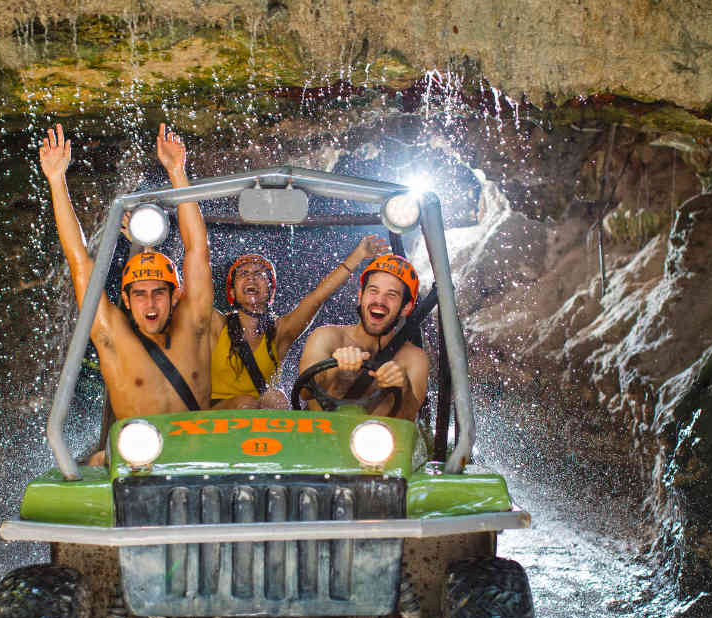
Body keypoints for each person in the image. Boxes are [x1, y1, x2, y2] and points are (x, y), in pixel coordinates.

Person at [39, 122, 213, 422]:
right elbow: (79, 260)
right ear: (127, 300)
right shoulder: (113, 338)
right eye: (140, 294)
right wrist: (56, 180)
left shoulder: (193, 326)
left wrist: (177, 171)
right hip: (142, 452)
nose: (150, 303)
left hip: (198, 449)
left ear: (175, 296)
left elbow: (197, 251)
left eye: (159, 293)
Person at [210, 234, 389, 410]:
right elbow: (198, 290)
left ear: (270, 291)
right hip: (213, 416)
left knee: (277, 398)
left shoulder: (280, 332)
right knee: (246, 402)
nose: (251, 278)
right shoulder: (216, 324)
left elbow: (317, 297)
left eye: (259, 274)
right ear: (232, 292)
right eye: (243, 273)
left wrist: (358, 254)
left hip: (258, 415)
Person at [296, 252, 428, 420]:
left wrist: (404, 387)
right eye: (373, 291)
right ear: (360, 297)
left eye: (391, 295)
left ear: (406, 308)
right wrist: (334, 370)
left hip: (378, 436)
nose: (380, 301)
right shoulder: (327, 336)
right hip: (319, 433)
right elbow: (304, 392)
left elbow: (408, 420)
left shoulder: (414, 359)